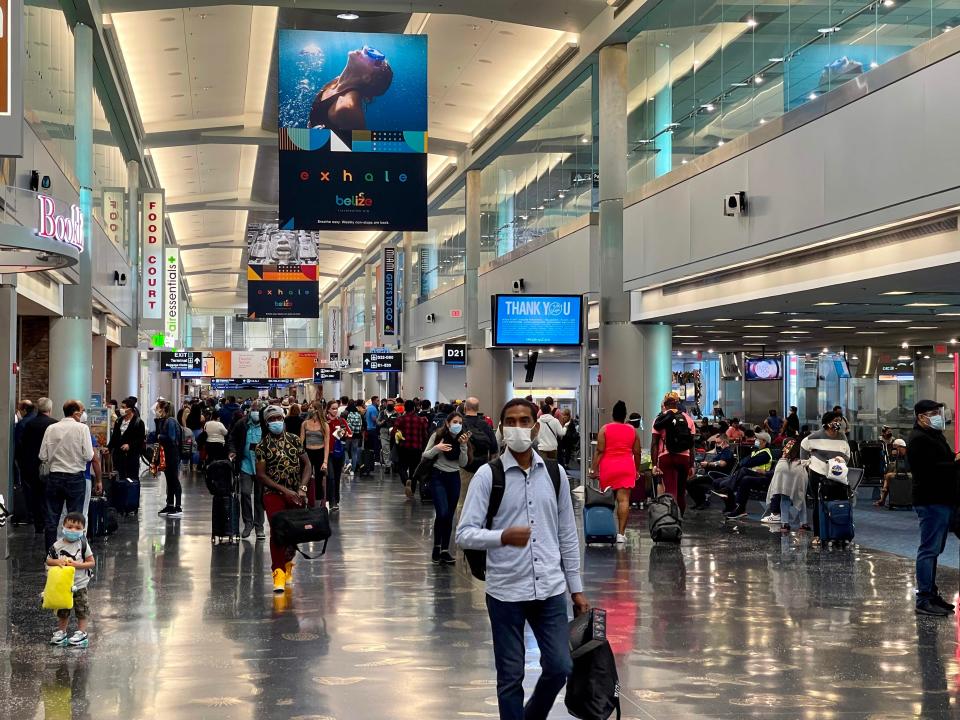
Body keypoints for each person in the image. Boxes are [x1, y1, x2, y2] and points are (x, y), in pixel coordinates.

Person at [457, 398, 588, 720]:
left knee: (560, 666)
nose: (518, 427)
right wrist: (501, 536)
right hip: (506, 591)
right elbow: (464, 533)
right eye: (511, 422)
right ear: (501, 430)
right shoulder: (488, 476)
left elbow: (568, 535)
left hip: (550, 590)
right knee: (510, 675)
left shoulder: (555, 475)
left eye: (524, 421)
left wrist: (576, 588)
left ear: (536, 428)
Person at [907, 400, 959, 616]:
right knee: (929, 549)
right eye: (934, 413)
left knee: (935, 549)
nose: (939, 416)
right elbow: (929, 470)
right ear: (921, 416)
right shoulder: (918, 439)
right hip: (931, 501)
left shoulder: (933, 435)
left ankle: (932, 594)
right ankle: (924, 598)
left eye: (939, 412)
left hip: (944, 499)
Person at [255, 405, 312, 593]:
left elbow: (307, 465)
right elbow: (261, 475)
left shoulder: (295, 440)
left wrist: (302, 488)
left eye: (278, 418)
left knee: (293, 532)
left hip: (296, 494)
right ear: (266, 422)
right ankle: (277, 571)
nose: (276, 422)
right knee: (277, 530)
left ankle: (288, 564)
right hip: (273, 495)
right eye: (271, 420)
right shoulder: (263, 446)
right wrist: (284, 490)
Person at [39, 400, 94, 550]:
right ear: (76, 413)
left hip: (54, 477)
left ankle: (51, 554)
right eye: (82, 411)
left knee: (52, 518)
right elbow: (89, 455)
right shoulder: (82, 429)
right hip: (75, 478)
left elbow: (42, 455)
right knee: (75, 518)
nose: (83, 414)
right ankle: (72, 552)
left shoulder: (51, 428)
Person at [308, 45, 394, 133]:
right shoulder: (336, 81)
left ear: (366, 78)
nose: (366, 51)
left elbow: (360, 145)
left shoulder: (347, 108)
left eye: (377, 63)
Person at [421, 412, 470, 563]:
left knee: (449, 515)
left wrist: (463, 446)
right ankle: (436, 546)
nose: (458, 425)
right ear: (448, 423)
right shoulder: (437, 435)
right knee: (441, 513)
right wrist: (438, 447)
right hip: (438, 477)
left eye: (460, 423)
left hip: (454, 477)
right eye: (455, 422)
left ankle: (444, 549)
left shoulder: (463, 439)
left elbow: (463, 463)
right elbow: (426, 454)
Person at [590, 400, 642, 544]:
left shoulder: (605, 429)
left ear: (612, 414)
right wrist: (636, 469)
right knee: (624, 500)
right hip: (626, 467)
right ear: (625, 415)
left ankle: (607, 530)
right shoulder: (632, 431)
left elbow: (600, 451)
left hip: (608, 468)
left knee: (607, 500)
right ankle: (620, 534)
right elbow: (637, 453)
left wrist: (594, 469)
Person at [46, 512, 95, 648]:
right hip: (63, 585)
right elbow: (49, 561)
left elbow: (91, 563)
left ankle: (81, 632)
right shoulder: (57, 545)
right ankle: (62, 631)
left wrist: (77, 565)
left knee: (81, 609)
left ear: (83, 530)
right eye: (70, 526)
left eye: (77, 528)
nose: (73, 530)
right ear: (63, 527)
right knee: (63, 610)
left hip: (80, 584)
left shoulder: (83, 544)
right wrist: (58, 561)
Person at [800, 411, 851, 542]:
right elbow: (803, 446)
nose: (838, 423)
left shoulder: (842, 437)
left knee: (837, 503)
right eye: (835, 420)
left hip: (836, 474)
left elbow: (847, 454)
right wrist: (805, 463)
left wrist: (842, 459)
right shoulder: (816, 436)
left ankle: (836, 533)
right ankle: (818, 534)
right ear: (827, 423)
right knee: (819, 503)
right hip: (818, 473)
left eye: (839, 420)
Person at [17, 397, 58, 534]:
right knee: (50, 495)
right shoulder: (54, 424)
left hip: (32, 465)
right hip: (51, 465)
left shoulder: (29, 424)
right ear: (50, 409)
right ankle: (50, 522)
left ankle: (38, 523)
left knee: (35, 495)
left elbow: (23, 445)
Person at [651, 392, 697, 514]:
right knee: (681, 492)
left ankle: (670, 521)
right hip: (684, 458)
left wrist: (654, 464)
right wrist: (691, 465)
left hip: (666, 457)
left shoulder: (659, 419)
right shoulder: (688, 419)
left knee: (670, 491)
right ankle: (679, 522)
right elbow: (692, 445)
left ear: (665, 405)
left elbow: (654, 443)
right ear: (677, 403)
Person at [229, 401, 265, 540]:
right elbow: (231, 438)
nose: (255, 412)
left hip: (261, 466)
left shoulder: (266, 425)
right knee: (244, 493)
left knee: (259, 497)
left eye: (258, 410)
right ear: (249, 411)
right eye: (254, 409)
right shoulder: (242, 424)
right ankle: (248, 523)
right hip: (246, 464)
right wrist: (232, 450)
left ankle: (259, 526)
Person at [722, 432, 775, 518]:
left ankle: (728, 489)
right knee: (743, 477)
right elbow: (742, 462)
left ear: (764, 442)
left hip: (762, 477)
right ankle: (735, 505)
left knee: (743, 471)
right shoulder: (756, 451)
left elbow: (747, 463)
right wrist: (746, 462)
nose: (756, 440)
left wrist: (746, 462)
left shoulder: (765, 454)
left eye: (758, 439)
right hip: (753, 474)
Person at [765, 438, 809, 532]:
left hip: (783, 467)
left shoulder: (790, 443)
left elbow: (784, 455)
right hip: (798, 468)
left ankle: (784, 524)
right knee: (801, 497)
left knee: (784, 497)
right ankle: (803, 524)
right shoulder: (802, 444)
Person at [393, 399, 429, 498]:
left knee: (401, 467)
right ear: (414, 408)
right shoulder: (421, 420)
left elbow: (394, 433)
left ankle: (405, 481)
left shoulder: (400, 419)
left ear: (405, 408)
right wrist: (424, 447)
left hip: (403, 447)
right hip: (417, 448)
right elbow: (425, 435)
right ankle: (412, 490)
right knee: (414, 469)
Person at [689, 435, 735, 509]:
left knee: (691, 483)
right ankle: (701, 502)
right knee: (691, 482)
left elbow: (722, 463)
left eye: (718, 443)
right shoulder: (722, 452)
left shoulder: (727, 451)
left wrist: (708, 464)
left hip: (717, 476)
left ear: (724, 442)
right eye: (716, 443)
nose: (717, 445)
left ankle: (702, 502)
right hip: (712, 474)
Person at [155, 400, 183, 518]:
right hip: (168, 454)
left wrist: (160, 436)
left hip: (172, 454)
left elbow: (171, 438)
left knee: (173, 480)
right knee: (170, 480)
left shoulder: (170, 422)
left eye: (158, 408)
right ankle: (170, 504)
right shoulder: (167, 421)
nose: (157, 411)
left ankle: (178, 506)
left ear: (164, 410)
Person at [107, 397, 145, 483]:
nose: (121, 409)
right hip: (119, 456)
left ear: (130, 409)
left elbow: (140, 439)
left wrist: (130, 445)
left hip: (131, 457)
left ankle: (132, 495)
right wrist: (109, 447)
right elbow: (114, 437)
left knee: (132, 479)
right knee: (120, 479)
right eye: (121, 407)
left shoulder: (138, 422)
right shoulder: (119, 421)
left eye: (123, 407)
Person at [299, 403, 329, 509]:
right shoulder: (305, 424)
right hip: (307, 452)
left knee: (319, 479)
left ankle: (317, 504)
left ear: (317, 410)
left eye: (312, 408)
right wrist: (299, 454)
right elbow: (301, 441)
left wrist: (325, 461)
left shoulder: (324, 425)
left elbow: (327, 444)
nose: (310, 409)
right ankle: (305, 501)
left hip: (320, 452)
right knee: (305, 478)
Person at [461, 397, 498, 478]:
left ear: (465, 407)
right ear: (477, 408)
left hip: (464, 468)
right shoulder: (485, 425)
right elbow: (494, 449)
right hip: (482, 468)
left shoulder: (460, 423)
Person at [324, 400, 351, 510]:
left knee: (337, 477)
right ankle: (332, 501)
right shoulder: (324, 421)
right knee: (330, 477)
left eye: (336, 408)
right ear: (328, 409)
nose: (335, 411)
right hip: (327, 454)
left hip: (338, 453)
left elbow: (350, 433)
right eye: (333, 408)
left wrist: (340, 433)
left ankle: (335, 500)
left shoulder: (341, 421)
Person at [876, 438, 910, 507]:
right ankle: (883, 497)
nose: (894, 449)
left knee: (888, 476)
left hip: (909, 473)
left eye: (895, 447)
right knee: (888, 473)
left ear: (900, 447)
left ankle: (883, 497)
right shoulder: (900, 454)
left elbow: (906, 467)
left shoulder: (908, 454)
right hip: (902, 472)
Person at [343, 400, 364, 474]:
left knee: (345, 449)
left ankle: (348, 463)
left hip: (348, 435)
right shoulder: (358, 413)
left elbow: (343, 423)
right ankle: (353, 470)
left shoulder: (346, 413)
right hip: (357, 435)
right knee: (354, 452)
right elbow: (363, 424)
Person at [364, 396, 380, 466]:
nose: (378, 402)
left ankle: (368, 460)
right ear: (373, 401)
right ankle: (376, 460)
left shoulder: (368, 408)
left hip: (367, 429)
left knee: (368, 446)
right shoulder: (374, 409)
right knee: (376, 445)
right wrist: (380, 422)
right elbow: (374, 419)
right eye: (377, 400)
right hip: (373, 429)